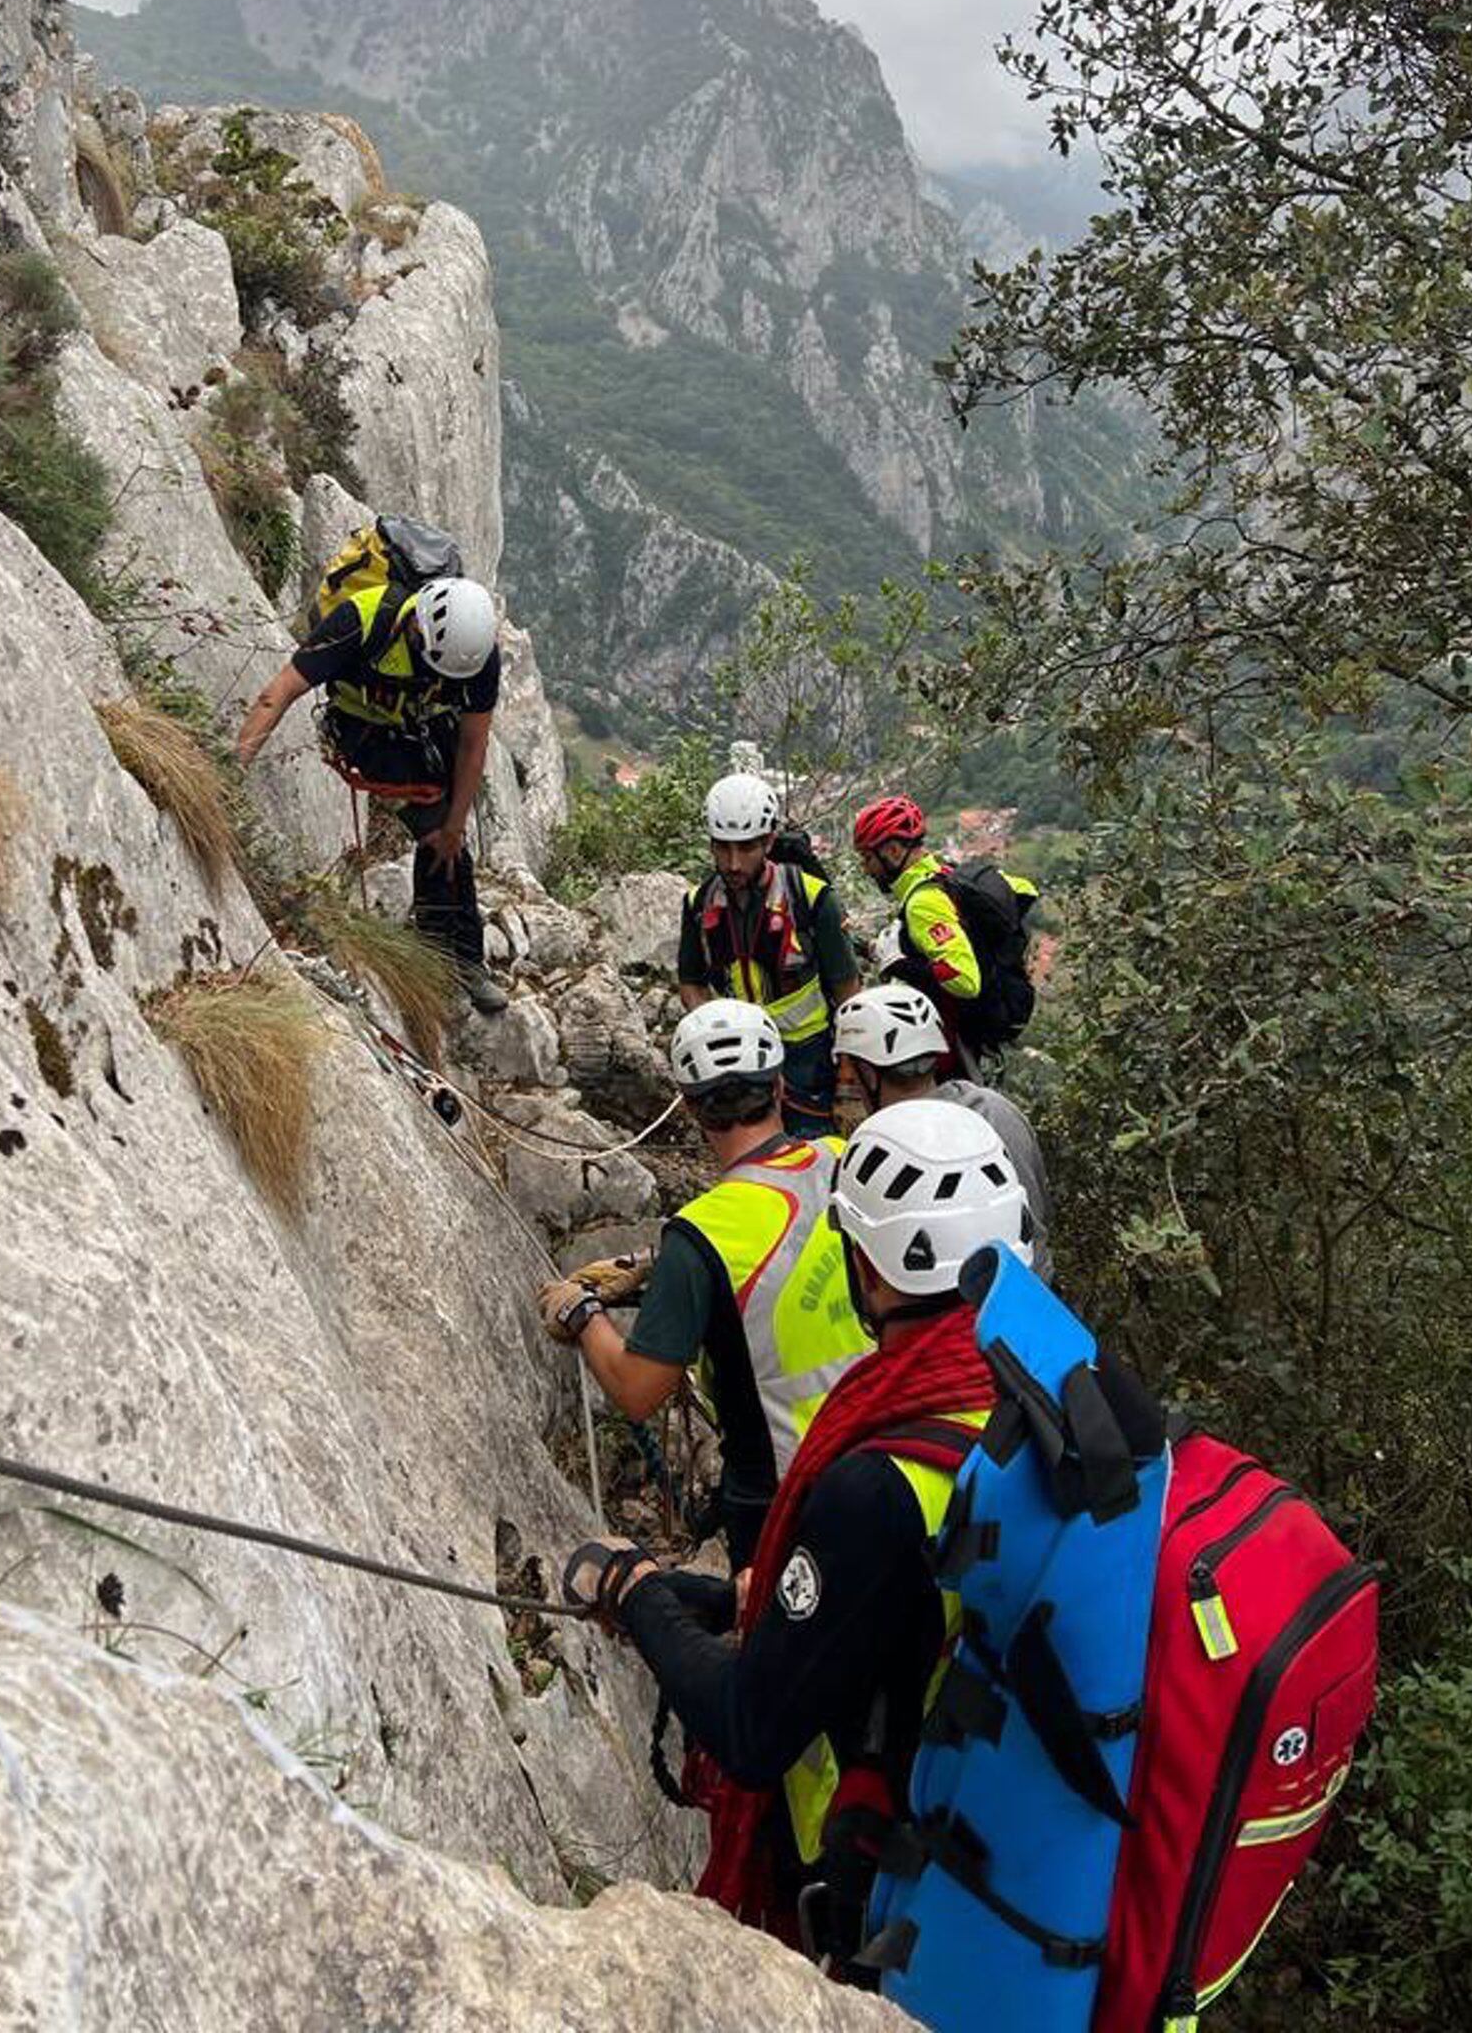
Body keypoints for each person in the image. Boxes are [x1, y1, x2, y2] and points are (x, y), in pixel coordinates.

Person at [563, 1097, 1031, 1969]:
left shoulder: (874, 1486)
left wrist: (638, 1595)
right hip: (1005, 1828)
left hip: (887, 1866)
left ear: (872, 1271)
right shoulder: (1039, 1391)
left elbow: (752, 1730)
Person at [536, 999, 870, 1569]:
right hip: (879, 1451)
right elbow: (791, 1239)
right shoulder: (844, 1160)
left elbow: (639, 1390)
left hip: (780, 1495)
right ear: (780, 1085)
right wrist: (653, 1265)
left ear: (691, 1108)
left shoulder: (700, 1237)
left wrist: (582, 1314)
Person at [236, 574, 508, 1014]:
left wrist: (457, 825)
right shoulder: (361, 621)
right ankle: (446, 954)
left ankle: (457, 956)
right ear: (417, 627)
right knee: (432, 820)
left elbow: (474, 743)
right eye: (428, 661)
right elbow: (279, 692)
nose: (432, 672)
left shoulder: (476, 658)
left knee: (447, 841)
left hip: (421, 721)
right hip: (361, 726)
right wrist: (233, 770)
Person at [677, 772, 860, 1137]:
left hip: (809, 1059)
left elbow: (848, 993)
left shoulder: (812, 899)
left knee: (814, 1158)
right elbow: (691, 981)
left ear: (769, 841)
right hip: (740, 1059)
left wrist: (848, 1082)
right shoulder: (699, 903)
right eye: (723, 847)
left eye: (746, 848)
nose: (732, 863)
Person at [831, 985, 1053, 1275]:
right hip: (1030, 1291)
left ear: (869, 1074)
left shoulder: (877, 1157)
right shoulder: (996, 1111)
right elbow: (1040, 1210)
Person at [851, 794, 1038, 1069]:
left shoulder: (922, 903)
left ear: (892, 851)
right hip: (975, 1026)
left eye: (868, 858)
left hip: (953, 1042)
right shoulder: (945, 873)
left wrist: (901, 965)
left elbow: (964, 981)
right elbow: (1023, 889)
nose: (865, 868)